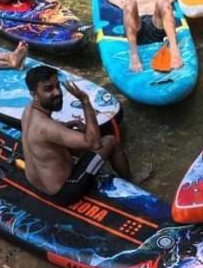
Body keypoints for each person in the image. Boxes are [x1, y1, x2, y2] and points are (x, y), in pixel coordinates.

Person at [21, 65, 134, 202]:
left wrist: (66, 125)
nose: (57, 92)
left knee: (75, 141)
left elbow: (44, 135)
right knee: (110, 141)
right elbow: (95, 144)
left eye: (57, 86)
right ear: (34, 94)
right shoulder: (46, 127)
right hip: (65, 192)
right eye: (48, 89)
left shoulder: (28, 111)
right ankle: (131, 181)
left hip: (35, 183)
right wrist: (85, 102)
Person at [103, 0, 185, 73]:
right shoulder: (128, 1)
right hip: (137, 28)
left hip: (158, 25)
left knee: (164, 1)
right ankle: (134, 54)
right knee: (129, 4)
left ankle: (174, 49)